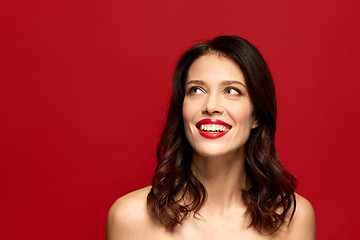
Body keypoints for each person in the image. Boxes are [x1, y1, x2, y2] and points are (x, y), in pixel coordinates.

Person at [107, 35, 315, 239]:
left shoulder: (293, 218)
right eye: (196, 90)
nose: (211, 106)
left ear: (257, 115)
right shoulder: (129, 218)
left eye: (232, 91)